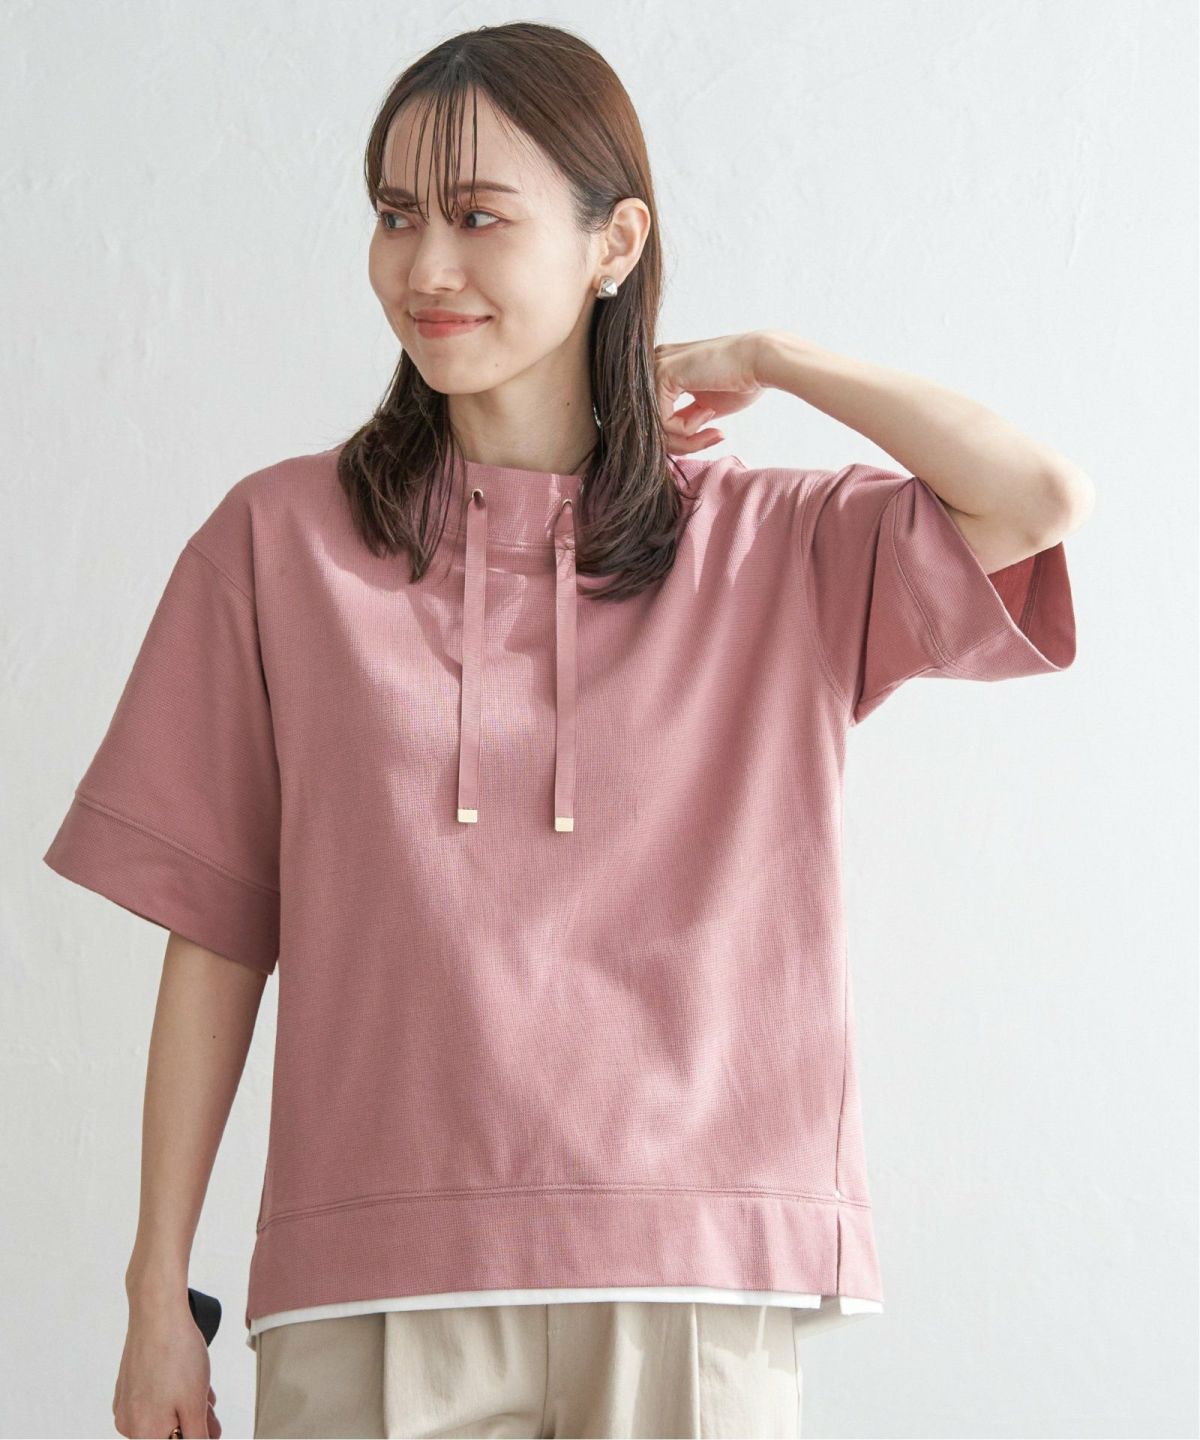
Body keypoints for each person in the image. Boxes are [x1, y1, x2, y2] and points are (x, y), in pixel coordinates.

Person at [42, 20, 1089, 1440]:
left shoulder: (771, 546)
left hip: (690, 1267)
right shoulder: (277, 544)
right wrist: (152, 1289)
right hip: (369, 1274)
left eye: (479, 217)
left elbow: (1034, 501)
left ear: (614, 243)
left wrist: (772, 356)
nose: (425, 267)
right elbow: (219, 930)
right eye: (396, 217)